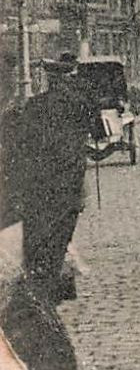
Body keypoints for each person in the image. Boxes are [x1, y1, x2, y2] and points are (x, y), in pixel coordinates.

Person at [8, 61, 97, 304]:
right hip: (71, 182)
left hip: (42, 181)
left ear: (49, 79)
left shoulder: (35, 105)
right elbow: (98, 133)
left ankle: (42, 286)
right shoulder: (81, 103)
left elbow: (22, 142)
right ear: (68, 78)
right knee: (62, 234)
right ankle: (55, 284)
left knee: (39, 234)